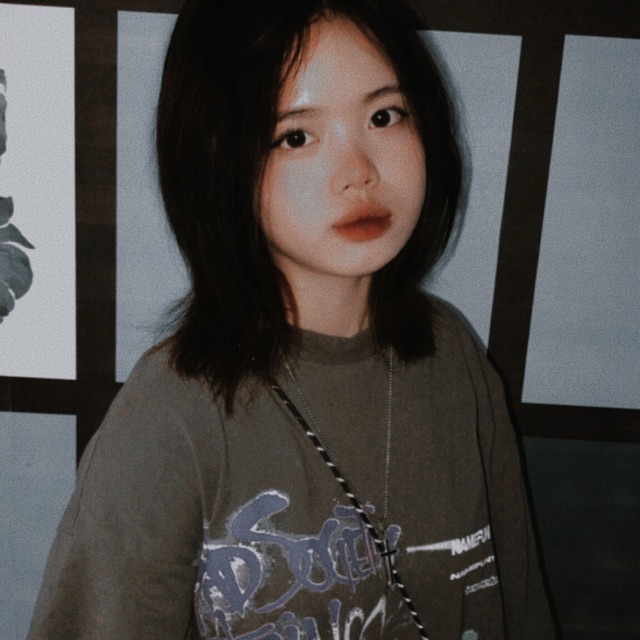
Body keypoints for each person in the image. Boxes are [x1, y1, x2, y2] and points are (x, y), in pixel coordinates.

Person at [28, 0, 557, 638]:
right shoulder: (171, 416)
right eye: (296, 137)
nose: (359, 173)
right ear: (219, 160)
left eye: (384, 116)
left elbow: (520, 607)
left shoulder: (455, 358)